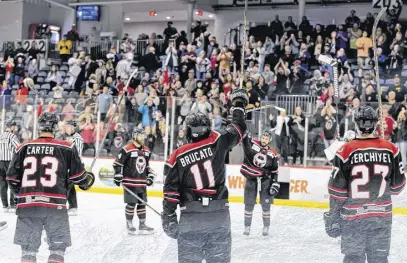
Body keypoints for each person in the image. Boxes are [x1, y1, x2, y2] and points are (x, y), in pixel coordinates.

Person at [162, 88, 249, 263]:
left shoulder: (177, 156)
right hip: (219, 214)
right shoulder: (218, 139)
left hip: (191, 217)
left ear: (188, 131)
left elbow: (171, 193)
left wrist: (169, 217)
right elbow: (238, 128)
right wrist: (238, 103)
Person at [6, 112, 94, 263]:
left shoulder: (23, 147)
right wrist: (88, 179)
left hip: (28, 206)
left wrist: (20, 194)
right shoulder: (67, 147)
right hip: (55, 207)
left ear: (39, 127)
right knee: (57, 251)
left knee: (28, 252)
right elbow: (79, 179)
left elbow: (12, 178)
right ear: (54, 127)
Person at [324, 106, 406, 263]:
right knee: (379, 259)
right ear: (375, 123)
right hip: (381, 218)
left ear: (356, 124)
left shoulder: (344, 151)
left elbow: (337, 192)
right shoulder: (391, 149)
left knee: (354, 259)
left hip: (353, 219)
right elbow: (397, 188)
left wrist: (332, 217)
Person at [113, 128, 156, 235]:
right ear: (134, 136)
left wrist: (150, 176)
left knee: (142, 204)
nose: (142, 138)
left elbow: (147, 166)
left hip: (142, 182)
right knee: (131, 204)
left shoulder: (146, 150)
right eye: (140, 136)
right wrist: (118, 175)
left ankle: (142, 224)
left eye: (143, 136)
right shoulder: (127, 149)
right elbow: (118, 163)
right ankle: (129, 224)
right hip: (130, 182)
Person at [240, 130, 280, 236]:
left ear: (270, 140)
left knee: (266, 205)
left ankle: (266, 227)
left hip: (265, 181)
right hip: (251, 179)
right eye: (262, 138)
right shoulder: (253, 144)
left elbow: (275, 171)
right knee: (248, 204)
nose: (264, 140)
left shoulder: (273, 154)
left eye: (266, 139)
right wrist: (244, 133)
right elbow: (244, 141)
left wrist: (275, 183)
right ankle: (247, 227)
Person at [0, 120, 20, 213]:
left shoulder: (0, 136)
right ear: (11, 127)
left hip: (0, 161)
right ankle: (12, 204)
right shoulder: (12, 136)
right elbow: (19, 148)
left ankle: (5, 205)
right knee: (12, 182)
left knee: (2, 184)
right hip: (9, 162)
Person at [65, 120, 84, 216]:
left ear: (73, 127)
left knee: (67, 186)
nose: (66, 128)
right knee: (70, 187)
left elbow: (78, 154)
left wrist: (75, 167)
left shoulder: (77, 138)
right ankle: (73, 207)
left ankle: (65, 206)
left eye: (68, 126)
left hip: (73, 166)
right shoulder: (68, 138)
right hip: (67, 165)